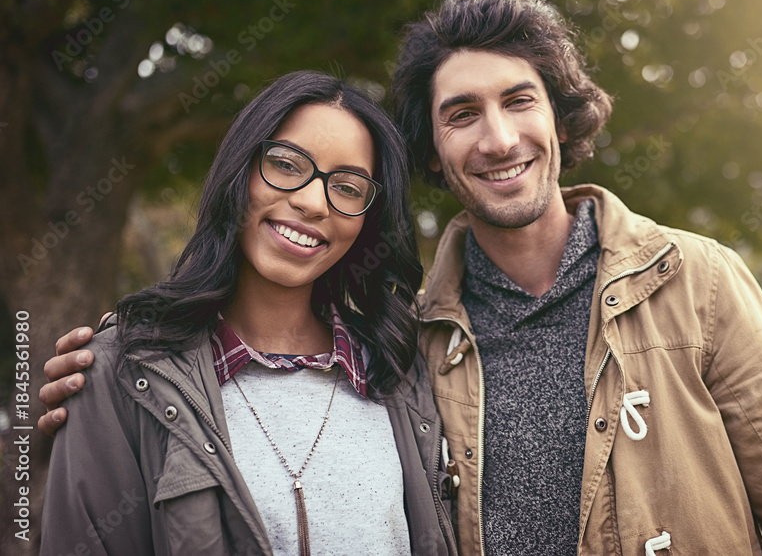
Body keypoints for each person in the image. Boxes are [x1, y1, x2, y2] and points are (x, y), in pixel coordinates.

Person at [41, 0, 762, 554]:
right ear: (434, 151)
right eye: (461, 114)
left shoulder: (696, 281)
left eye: (520, 100)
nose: (499, 138)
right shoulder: (415, 336)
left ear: (560, 114)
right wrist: (39, 431)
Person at [39, 71, 458, 556]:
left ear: (368, 219)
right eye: (285, 163)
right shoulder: (122, 370)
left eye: (347, 187)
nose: (311, 201)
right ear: (240, 169)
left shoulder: (401, 374)